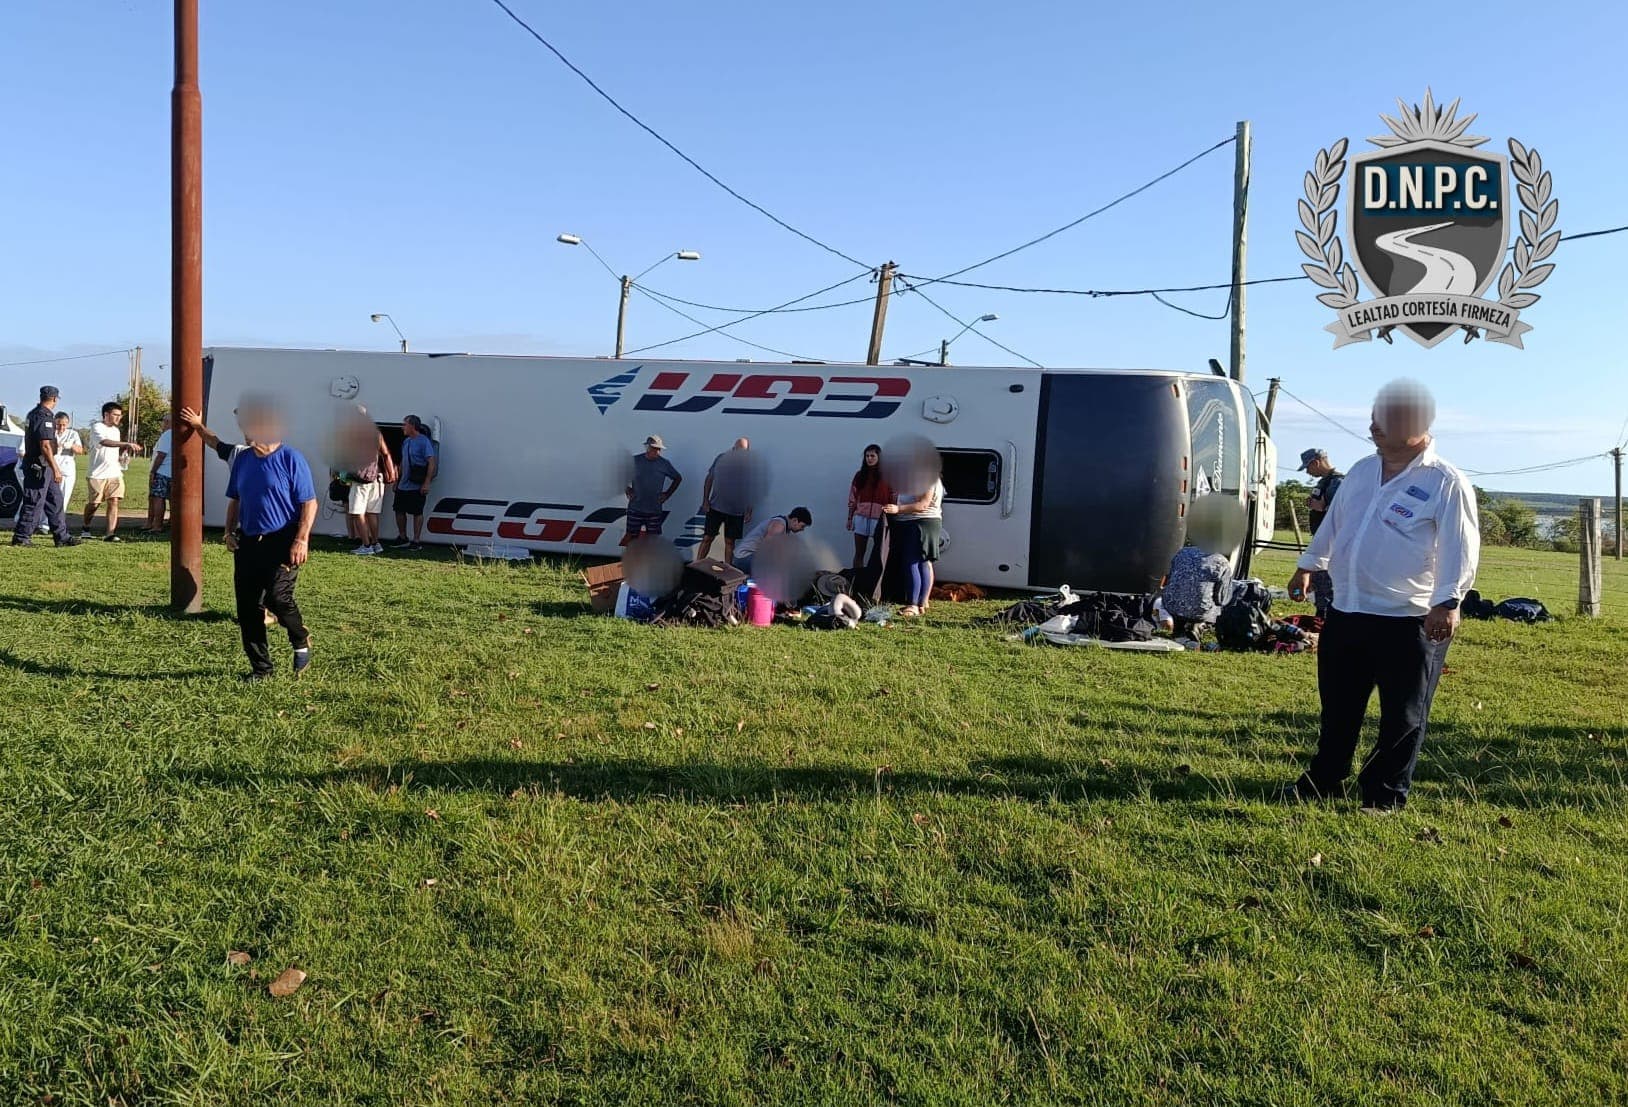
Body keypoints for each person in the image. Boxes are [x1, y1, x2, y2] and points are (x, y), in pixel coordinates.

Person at [1283, 380, 1480, 813]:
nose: (1374, 427)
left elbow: (1460, 546)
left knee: (1402, 717)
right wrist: (1308, 565)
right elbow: (1335, 524)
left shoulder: (1445, 481)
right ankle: (1325, 780)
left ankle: (1384, 794)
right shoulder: (1361, 471)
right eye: (1374, 419)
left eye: (1385, 421)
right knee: (1338, 707)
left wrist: (1448, 602)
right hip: (1348, 609)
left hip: (1410, 618)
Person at [223, 395, 317, 681]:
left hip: (283, 538)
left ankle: (300, 638)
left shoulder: (291, 458)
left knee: (278, 597)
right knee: (248, 608)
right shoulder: (243, 459)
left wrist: (301, 539)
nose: (246, 431)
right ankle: (261, 669)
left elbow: (309, 502)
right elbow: (235, 499)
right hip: (249, 540)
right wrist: (228, 532)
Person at [11, 385, 78, 547]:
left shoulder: (33, 413)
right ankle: (21, 537)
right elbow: (45, 445)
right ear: (54, 399)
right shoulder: (44, 416)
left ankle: (61, 536)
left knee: (55, 500)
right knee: (34, 501)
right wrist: (55, 468)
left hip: (42, 466)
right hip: (39, 467)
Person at [883, 476, 944, 617]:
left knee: (911, 562)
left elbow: (922, 504)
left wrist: (897, 509)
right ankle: (922, 603)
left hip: (919, 523)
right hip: (924, 522)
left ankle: (913, 605)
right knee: (923, 562)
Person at [84, 401, 141, 541]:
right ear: (106, 414)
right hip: (97, 473)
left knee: (114, 500)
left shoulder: (116, 431)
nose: (118, 418)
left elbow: (116, 448)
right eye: (115, 415)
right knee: (94, 503)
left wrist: (122, 455)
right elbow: (104, 442)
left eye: (120, 415)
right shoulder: (97, 427)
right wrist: (126, 443)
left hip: (114, 472)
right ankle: (86, 526)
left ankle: (110, 533)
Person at [1299, 447, 1345, 618]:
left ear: (1316, 462)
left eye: (1308, 468)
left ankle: (1326, 617)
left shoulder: (1338, 483)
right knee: (1319, 581)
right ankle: (1322, 614)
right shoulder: (1324, 482)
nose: (1308, 473)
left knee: (1327, 584)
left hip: (1332, 543)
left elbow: (1342, 514)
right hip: (1322, 538)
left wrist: (1322, 508)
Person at [345, 405, 396, 556]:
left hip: (361, 479)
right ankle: (375, 543)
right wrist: (391, 473)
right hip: (377, 477)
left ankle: (366, 545)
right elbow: (386, 454)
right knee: (372, 513)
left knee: (357, 512)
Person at [694, 437, 753, 564]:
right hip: (716, 506)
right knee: (707, 537)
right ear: (733, 448)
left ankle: (728, 570)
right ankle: (697, 565)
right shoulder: (721, 458)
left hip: (736, 510)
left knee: (730, 542)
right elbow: (710, 479)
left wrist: (749, 510)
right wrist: (705, 500)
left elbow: (751, 488)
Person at [392, 414, 437, 550]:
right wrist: (397, 480)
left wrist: (427, 482)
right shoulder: (406, 442)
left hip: (416, 484)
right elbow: (402, 463)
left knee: (417, 512)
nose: (402, 427)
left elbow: (431, 462)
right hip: (403, 484)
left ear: (412, 426)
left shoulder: (424, 441)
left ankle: (416, 540)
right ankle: (402, 536)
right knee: (398, 510)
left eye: (404, 424)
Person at [625, 435, 682, 541]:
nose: (657, 452)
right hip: (635, 507)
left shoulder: (664, 464)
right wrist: (627, 489)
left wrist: (667, 494)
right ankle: (631, 557)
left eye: (659, 449)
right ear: (648, 447)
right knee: (631, 538)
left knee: (654, 541)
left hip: (654, 510)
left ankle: (651, 558)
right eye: (655, 448)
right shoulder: (635, 461)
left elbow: (678, 478)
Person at [846, 443, 891, 571]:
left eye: (872, 456)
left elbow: (893, 497)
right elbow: (852, 498)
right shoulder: (860, 475)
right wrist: (850, 518)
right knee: (859, 553)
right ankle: (857, 579)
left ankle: (876, 583)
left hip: (879, 518)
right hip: (861, 517)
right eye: (867, 456)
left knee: (879, 553)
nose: (869, 458)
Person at [37, 412, 84, 535]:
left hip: (66, 471)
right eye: (58, 424)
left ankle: (58, 525)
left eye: (64, 425)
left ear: (67, 424)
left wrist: (71, 446)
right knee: (47, 497)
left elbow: (80, 450)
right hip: (51, 468)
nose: (61, 427)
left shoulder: (73, 434)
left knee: (63, 498)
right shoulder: (49, 432)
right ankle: (44, 524)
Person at [732, 506, 812, 578]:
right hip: (743, 559)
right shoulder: (779, 525)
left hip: (749, 558)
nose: (802, 530)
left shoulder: (784, 527)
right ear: (795, 520)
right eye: (802, 526)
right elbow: (766, 550)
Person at [145, 414, 174, 533]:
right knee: (171, 499)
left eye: (163, 421)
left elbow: (161, 455)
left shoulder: (167, 435)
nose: (162, 424)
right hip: (171, 472)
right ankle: (170, 521)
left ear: (168, 422)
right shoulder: (176, 434)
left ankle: (157, 525)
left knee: (158, 498)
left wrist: (153, 471)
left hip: (162, 471)